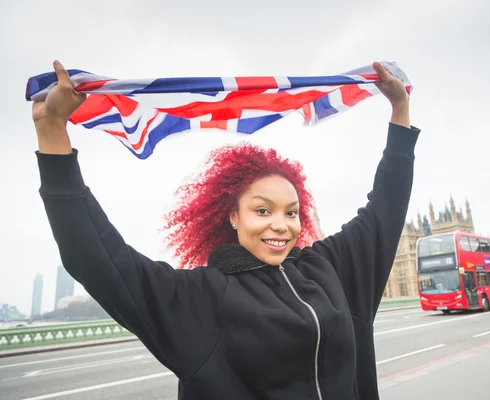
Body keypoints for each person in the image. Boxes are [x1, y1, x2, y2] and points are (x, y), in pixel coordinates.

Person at [32, 60, 419, 400]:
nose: (280, 225)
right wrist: (52, 134)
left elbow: (384, 210)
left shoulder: (330, 269)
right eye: (262, 210)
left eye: (292, 212)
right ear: (232, 216)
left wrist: (399, 109)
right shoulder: (202, 298)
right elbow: (98, 259)